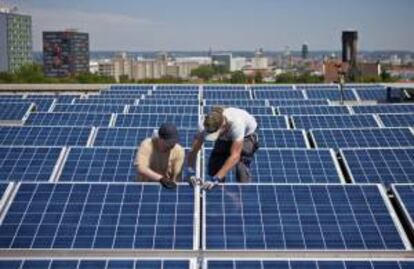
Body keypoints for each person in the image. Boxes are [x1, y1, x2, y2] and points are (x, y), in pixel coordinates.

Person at [187, 106, 259, 190]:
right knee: (214, 166)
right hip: (225, 136)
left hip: (246, 136)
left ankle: (245, 191)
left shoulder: (237, 124)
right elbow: (194, 150)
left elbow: (235, 156)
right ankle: (221, 194)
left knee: (241, 168)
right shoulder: (204, 125)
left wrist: (217, 178)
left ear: (223, 126)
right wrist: (190, 172)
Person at [134, 123, 185, 189]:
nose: (172, 144)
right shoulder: (147, 145)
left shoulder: (179, 151)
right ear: (160, 139)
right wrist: (161, 179)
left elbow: (176, 176)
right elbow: (141, 168)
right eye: (169, 142)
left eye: (174, 142)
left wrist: (172, 185)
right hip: (144, 186)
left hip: (164, 187)